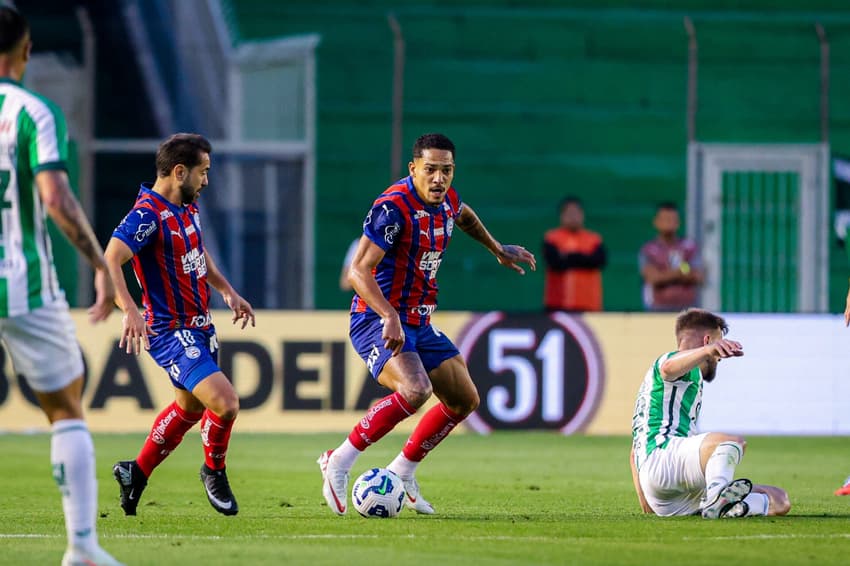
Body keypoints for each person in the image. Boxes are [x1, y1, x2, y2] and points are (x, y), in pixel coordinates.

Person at [317, 133, 536, 515]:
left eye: (446, 171)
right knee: (416, 390)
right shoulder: (393, 208)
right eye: (430, 170)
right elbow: (357, 270)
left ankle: (402, 470)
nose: (439, 179)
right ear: (413, 168)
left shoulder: (447, 199)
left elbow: (463, 214)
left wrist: (496, 248)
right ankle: (339, 460)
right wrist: (388, 315)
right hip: (375, 318)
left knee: (464, 399)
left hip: (419, 319)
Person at [0, 7, 123, 566]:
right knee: (65, 404)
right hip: (20, 280)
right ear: (25, 52)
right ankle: (81, 548)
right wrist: (101, 263)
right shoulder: (32, 112)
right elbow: (55, 198)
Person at [104, 133, 255, 517]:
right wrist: (129, 309)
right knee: (225, 403)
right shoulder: (147, 214)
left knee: (188, 410)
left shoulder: (187, 207)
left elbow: (195, 251)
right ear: (179, 171)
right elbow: (111, 257)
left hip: (201, 325)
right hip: (170, 331)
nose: (206, 181)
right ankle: (214, 471)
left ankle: (135, 473)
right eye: (203, 173)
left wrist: (227, 290)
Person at [630, 308, 791, 518]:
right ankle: (717, 495)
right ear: (707, 341)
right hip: (665, 459)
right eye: (718, 343)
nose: (719, 357)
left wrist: (648, 502)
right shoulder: (669, 362)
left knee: (779, 499)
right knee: (731, 443)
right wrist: (708, 351)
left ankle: (730, 507)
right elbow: (668, 367)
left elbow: (634, 452)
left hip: (664, 491)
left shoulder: (657, 394)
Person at [542, 196, 606, 311]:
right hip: (557, 306)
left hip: (589, 305)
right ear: (561, 215)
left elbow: (598, 261)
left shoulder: (593, 239)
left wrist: (568, 257)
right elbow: (555, 262)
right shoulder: (552, 238)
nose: (573, 217)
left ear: (582, 215)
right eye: (569, 213)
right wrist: (583, 258)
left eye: (576, 212)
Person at [639, 202, 704, 311]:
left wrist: (666, 273)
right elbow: (653, 278)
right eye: (665, 219)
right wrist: (680, 272)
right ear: (656, 222)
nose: (669, 223)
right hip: (658, 308)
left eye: (672, 219)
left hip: (687, 309)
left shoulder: (689, 247)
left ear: (678, 222)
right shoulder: (649, 250)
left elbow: (698, 276)